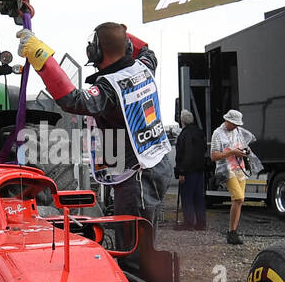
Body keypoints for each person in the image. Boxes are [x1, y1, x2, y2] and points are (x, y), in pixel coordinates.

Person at [15, 19, 173, 232]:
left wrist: (39, 54)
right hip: (156, 164)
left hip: (138, 178)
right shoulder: (144, 65)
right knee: (143, 235)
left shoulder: (110, 88)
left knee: (135, 244)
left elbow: (72, 99)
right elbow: (145, 50)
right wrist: (121, 34)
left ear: (97, 53)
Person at [210, 109, 256, 246]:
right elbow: (213, 156)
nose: (236, 126)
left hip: (240, 168)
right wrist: (232, 152)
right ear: (227, 120)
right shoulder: (217, 133)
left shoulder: (238, 131)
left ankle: (232, 231)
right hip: (227, 169)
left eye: (237, 124)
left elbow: (244, 146)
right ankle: (231, 232)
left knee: (239, 201)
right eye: (234, 123)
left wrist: (246, 151)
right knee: (238, 198)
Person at [174, 109, 207, 231]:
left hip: (188, 171)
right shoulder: (199, 132)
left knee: (187, 197)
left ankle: (188, 223)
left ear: (182, 121)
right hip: (199, 169)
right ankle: (201, 223)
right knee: (199, 197)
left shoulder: (184, 134)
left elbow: (186, 153)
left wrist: (181, 171)